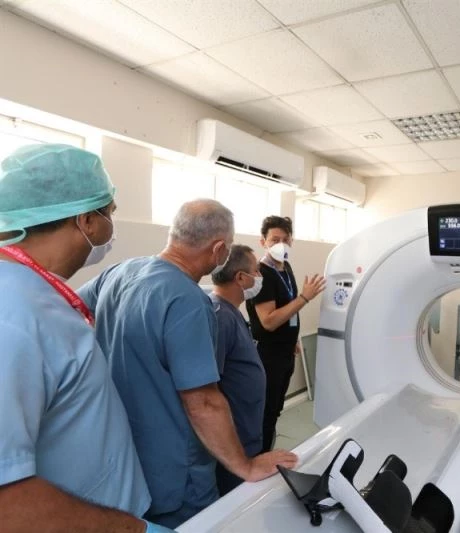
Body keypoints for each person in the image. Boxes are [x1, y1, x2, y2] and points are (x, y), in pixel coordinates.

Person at [79, 200, 297, 528]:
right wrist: (246, 466)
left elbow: (71, 307)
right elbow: (203, 402)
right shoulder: (188, 301)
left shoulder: (122, 271)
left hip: (123, 454)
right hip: (174, 471)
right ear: (218, 249)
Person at [0, 144, 167, 532]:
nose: (111, 227)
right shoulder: (12, 315)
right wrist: (134, 530)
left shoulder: (36, 291)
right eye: (110, 213)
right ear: (88, 221)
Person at [246, 216, 325, 452]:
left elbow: (287, 307)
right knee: (265, 412)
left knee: (275, 409)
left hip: (285, 352)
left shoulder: (285, 267)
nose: (281, 244)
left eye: (285, 239)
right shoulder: (260, 274)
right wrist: (305, 297)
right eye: (274, 239)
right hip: (267, 355)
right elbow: (268, 321)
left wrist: (292, 340)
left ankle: (266, 452)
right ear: (263, 242)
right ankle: (258, 459)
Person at [210, 244, 267, 496]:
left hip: (247, 433)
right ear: (241, 278)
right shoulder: (220, 316)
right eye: (256, 271)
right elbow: (210, 387)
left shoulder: (231, 313)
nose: (260, 277)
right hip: (235, 440)